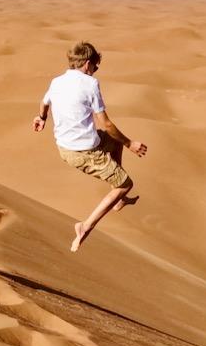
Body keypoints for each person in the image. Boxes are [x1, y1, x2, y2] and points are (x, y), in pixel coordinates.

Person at [33, 41, 147, 251]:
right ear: (87, 64)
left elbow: (44, 102)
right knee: (125, 184)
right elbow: (105, 123)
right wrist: (130, 143)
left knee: (114, 141)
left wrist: (41, 118)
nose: (95, 71)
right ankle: (85, 226)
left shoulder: (57, 81)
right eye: (95, 66)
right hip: (84, 151)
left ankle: (118, 198)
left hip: (66, 146)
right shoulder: (90, 84)